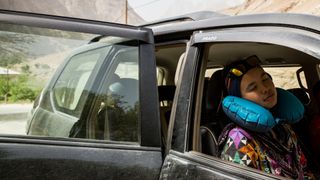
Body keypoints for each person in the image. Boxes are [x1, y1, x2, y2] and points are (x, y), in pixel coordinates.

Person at [218, 55, 315, 179]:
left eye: (265, 79)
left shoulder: (282, 127)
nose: (265, 88)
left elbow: (303, 168)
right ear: (241, 100)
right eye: (253, 87)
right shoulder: (238, 139)